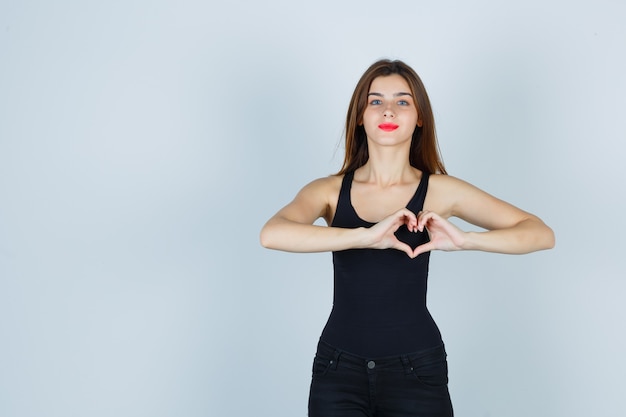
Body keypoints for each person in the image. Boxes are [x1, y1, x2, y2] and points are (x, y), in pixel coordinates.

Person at [259, 59, 555, 417]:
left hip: (415, 370)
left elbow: (540, 233)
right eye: (375, 101)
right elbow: (272, 233)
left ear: (419, 117)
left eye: (402, 101)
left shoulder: (440, 190)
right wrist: (364, 237)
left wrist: (467, 240)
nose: (388, 110)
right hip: (338, 370)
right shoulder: (329, 191)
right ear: (360, 116)